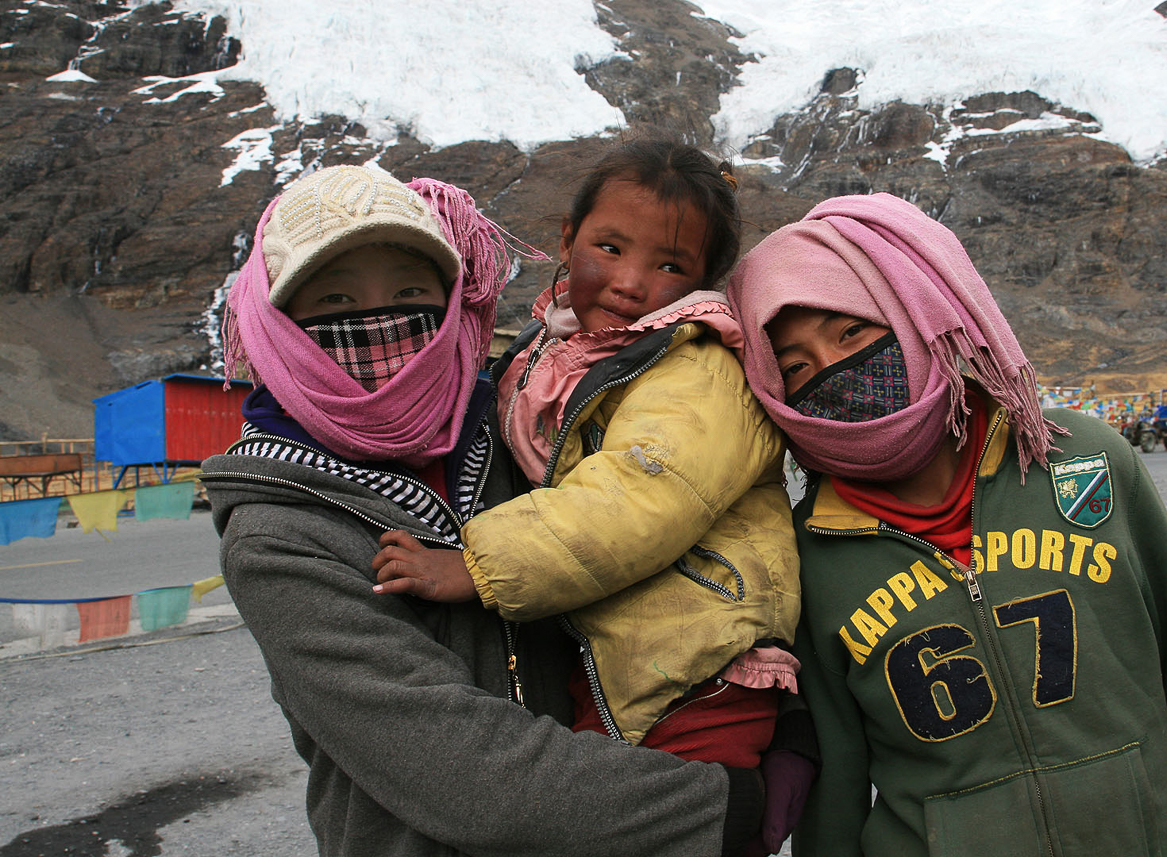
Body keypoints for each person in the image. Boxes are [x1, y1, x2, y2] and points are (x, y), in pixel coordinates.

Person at [201, 162, 769, 857]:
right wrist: (723, 808)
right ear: (277, 324)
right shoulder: (281, 534)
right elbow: (465, 772)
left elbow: (644, 526)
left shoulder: (513, 427)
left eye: (411, 292)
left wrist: (785, 702)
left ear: (451, 299)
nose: (379, 323)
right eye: (335, 301)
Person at [725, 192, 1167, 856]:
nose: (834, 373)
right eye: (797, 366)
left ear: (915, 316)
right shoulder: (809, 552)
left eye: (852, 333)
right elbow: (838, 784)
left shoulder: (1086, 459)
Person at [371, 138, 804, 772]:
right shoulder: (557, 349)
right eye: (610, 248)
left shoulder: (700, 370)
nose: (630, 284)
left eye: (670, 266)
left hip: (699, 669)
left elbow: (638, 495)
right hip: (623, 658)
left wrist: (477, 566)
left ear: (703, 281)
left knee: (667, 827)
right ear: (570, 236)